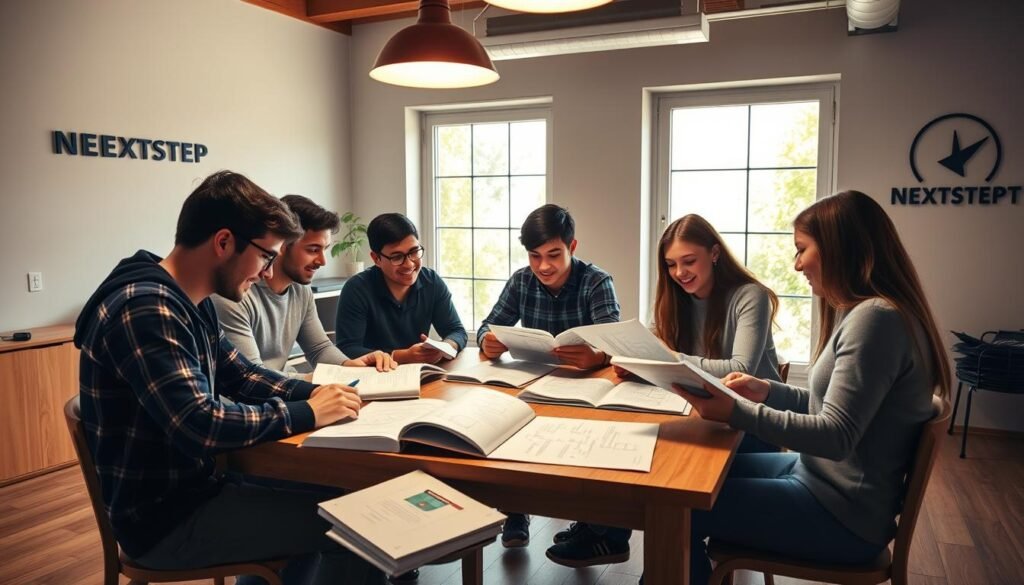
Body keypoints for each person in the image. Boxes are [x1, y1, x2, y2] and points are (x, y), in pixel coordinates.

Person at [74, 171, 385, 585]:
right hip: (165, 520)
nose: (265, 271)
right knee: (357, 525)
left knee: (344, 502)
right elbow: (201, 424)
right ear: (223, 242)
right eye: (266, 256)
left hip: (198, 490)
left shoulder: (188, 299)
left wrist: (322, 393)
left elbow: (240, 375)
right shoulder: (147, 309)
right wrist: (307, 412)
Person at [657, 190, 951, 585]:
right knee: (688, 482)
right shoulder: (869, 312)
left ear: (839, 248)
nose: (796, 265)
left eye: (802, 249)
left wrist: (736, 411)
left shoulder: (876, 320)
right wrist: (766, 390)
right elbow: (826, 407)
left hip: (841, 515)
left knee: (677, 505)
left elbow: (835, 436)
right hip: (821, 481)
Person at [550, 213, 787, 568]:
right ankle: (610, 534)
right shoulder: (674, 296)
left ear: (715, 254)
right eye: (671, 264)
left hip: (751, 427)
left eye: (689, 261)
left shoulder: (749, 296)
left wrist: (671, 358)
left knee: (665, 472)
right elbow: (655, 352)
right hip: (702, 415)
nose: (680, 273)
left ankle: (637, 552)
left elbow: (740, 371)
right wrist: (635, 362)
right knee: (631, 441)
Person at [475, 203, 624, 559]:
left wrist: (598, 355)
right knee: (502, 422)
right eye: (534, 256)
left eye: (554, 255)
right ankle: (515, 511)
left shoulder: (596, 281)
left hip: (588, 391)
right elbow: (487, 327)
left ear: (572, 248)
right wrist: (488, 341)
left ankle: (597, 527)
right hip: (535, 387)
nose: (543, 266)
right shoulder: (521, 281)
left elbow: (616, 347)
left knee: (592, 447)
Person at [214, 194, 395, 378]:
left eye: (324, 250)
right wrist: (321, 379)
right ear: (281, 245)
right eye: (313, 250)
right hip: (249, 401)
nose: (322, 261)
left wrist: (350, 366)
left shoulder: (301, 291)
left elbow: (319, 348)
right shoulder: (234, 294)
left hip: (284, 391)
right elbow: (251, 376)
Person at [334, 213, 467, 364]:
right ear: (376, 259)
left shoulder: (431, 282)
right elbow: (347, 349)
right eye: (397, 257)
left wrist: (445, 347)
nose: (409, 264)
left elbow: (457, 331)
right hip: (373, 378)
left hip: (420, 374)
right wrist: (401, 356)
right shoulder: (356, 289)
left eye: (414, 252)